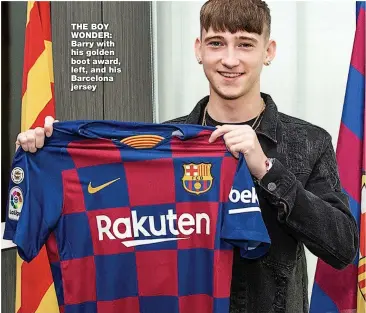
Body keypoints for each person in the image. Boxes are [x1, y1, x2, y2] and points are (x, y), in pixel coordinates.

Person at [15, 0, 359, 312]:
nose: (229, 59)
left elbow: (342, 248)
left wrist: (267, 170)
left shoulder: (308, 141)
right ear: (199, 50)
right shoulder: (162, 144)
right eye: (216, 43)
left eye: (245, 44)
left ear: (268, 51)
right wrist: (45, 152)